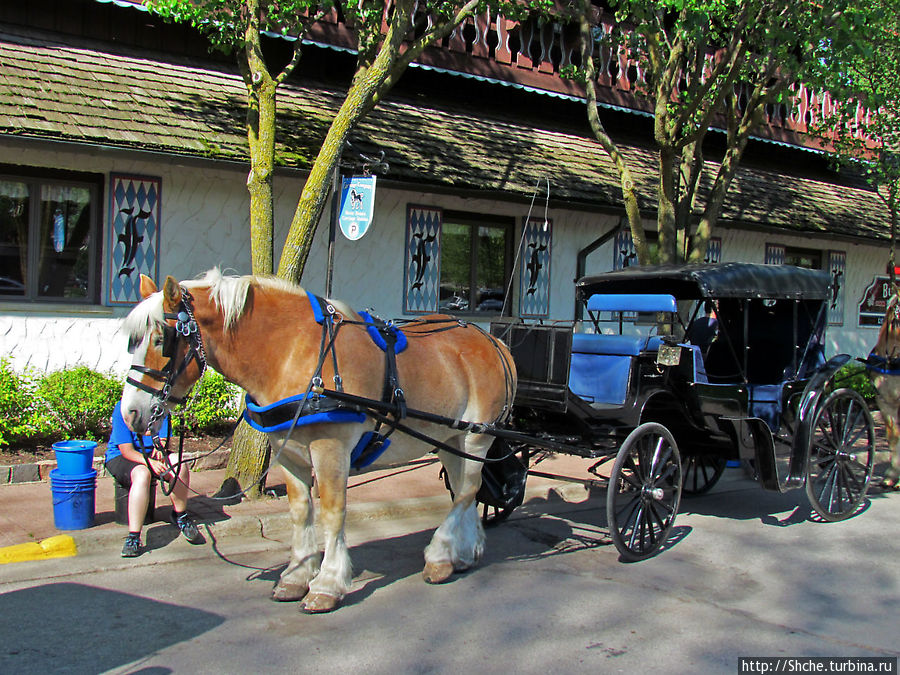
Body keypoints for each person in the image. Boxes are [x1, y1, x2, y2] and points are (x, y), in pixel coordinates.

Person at [106, 400, 202, 557]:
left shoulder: (160, 408)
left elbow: (163, 439)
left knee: (179, 465)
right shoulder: (122, 408)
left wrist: (160, 447)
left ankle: (180, 516)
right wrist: (150, 463)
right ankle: (133, 537)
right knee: (143, 474)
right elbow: (126, 451)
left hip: (150, 455)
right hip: (121, 457)